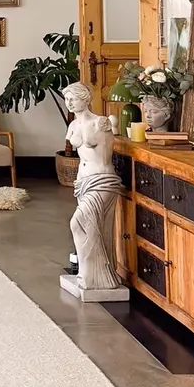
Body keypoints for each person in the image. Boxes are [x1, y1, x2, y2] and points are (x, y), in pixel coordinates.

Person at [62, 82, 125, 293]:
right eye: (67, 99)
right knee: (92, 227)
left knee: (78, 223)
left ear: (86, 99)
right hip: (83, 183)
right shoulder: (73, 125)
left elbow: (106, 154)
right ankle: (90, 276)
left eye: (73, 99)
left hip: (102, 180)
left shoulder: (101, 123)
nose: (69, 103)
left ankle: (95, 275)